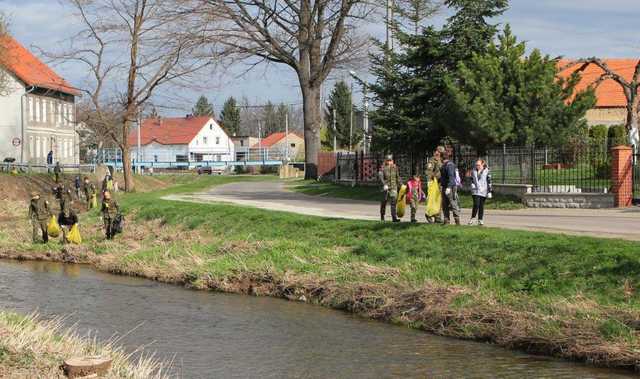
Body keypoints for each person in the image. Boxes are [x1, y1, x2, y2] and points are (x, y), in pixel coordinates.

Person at [440, 149, 461, 225]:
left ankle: (457, 221)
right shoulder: (444, 165)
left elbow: (451, 177)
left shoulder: (450, 165)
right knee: (444, 204)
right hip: (444, 186)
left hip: (450, 187)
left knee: (453, 203)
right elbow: (443, 177)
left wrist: (448, 187)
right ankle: (446, 221)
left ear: (442, 157)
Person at [425, 146, 445, 223]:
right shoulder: (432, 160)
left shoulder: (442, 160)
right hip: (434, 183)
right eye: (440, 152)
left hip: (440, 183)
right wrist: (430, 181)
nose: (440, 154)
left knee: (439, 200)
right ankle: (428, 214)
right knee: (432, 200)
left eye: (441, 153)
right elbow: (428, 171)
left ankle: (438, 217)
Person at [469, 159, 492, 226]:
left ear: (482, 164)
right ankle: (473, 218)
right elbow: (471, 178)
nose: (477, 166)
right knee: (476, 204)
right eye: (476, 165)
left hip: (483, 190)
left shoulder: (487, 171)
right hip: (475, 190)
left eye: (478, 165)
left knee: (481, 205)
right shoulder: (473, 170)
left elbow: (489, 181)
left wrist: (489, 191)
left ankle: (480, 219)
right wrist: (472, 183)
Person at [379, 154, 401, 222]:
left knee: (393, 202)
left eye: (390, 160)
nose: (389, 162)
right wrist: (384, 184)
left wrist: (401, 185)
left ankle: (394, 218)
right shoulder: (383, 168)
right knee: (384, 202)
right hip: (385, 187)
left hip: (393, 187)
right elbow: (380, 177)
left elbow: (398, 177)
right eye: (388, 160)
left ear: (392, 161)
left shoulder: (395, 168)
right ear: (385, 161)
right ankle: (382, 216)